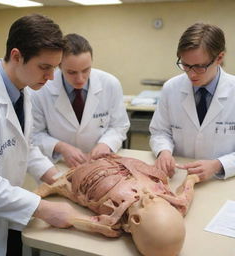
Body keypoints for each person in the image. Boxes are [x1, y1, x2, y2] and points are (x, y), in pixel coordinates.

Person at [0, 14, 79, 256]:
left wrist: (57, 179)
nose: (51, 77)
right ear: (16, 56)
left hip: (8, 215)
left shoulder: (24, 91)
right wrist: (43, 208)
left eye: (54, 68)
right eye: (44, 67)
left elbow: (26, 145)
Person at [149, 22, 235, 182]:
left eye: (199, 67)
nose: (191, 74)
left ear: (219, 58)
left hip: (221, 180)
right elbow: (160, 132)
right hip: (178, 176)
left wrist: (218, 165)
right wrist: (164, 151)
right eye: (186, 65)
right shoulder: (171, 88)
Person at [30, 33, 130, 167]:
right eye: (71, 72)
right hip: (59, 163)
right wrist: (61, 147)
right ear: (59, 66)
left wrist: (105, 144)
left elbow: (119, 125)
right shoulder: (41, 89)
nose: (80, 79)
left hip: (100, 162)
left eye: (85, 70)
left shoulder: (110, 84)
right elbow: (34, 134)